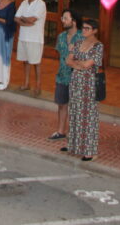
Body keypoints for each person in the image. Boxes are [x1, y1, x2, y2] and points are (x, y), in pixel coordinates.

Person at [64, 19, 103, 161]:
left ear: (95, 30)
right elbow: (68, 60)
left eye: (87, 28)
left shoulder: (98, 46)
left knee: (88, 116)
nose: (84, 31)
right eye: (83, 28)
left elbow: (88, 64)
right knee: (75, 112)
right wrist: (79, 65)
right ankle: (74, 145)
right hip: (75, 82)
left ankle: (89, 150)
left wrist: (77, 64)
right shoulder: (79, 43)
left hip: (88, 84)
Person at [48, 9, 83, 141]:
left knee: (76, 106)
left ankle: (75, 133)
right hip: (62, 76)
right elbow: (59, 54)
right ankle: (60, 130)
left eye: (65, 18)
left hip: (77, 77)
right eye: (62, 18)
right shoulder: (61, 36)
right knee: (62, 104)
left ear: (74, 21)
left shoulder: (82, 37)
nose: (63, 20)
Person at [15, 0, 47, 96]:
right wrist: (25, 21)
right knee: (26, 61)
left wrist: (23, 19)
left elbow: (32, 20)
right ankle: (26, 83)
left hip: (35, 38)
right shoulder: (24, 3)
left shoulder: (41, 4)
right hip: (24, 37)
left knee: (36, 62)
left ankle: (38, 86)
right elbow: (16, 18)